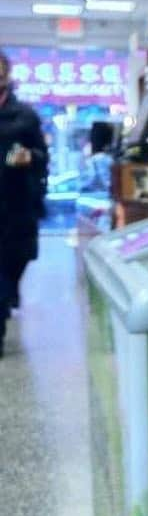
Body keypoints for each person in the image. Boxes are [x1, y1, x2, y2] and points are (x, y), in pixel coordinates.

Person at [0, 49, 49, 356]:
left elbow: (44, 158)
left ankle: (6, 297)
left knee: (11, 264)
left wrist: (29, 157)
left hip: (14, 205)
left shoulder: (24, 116)